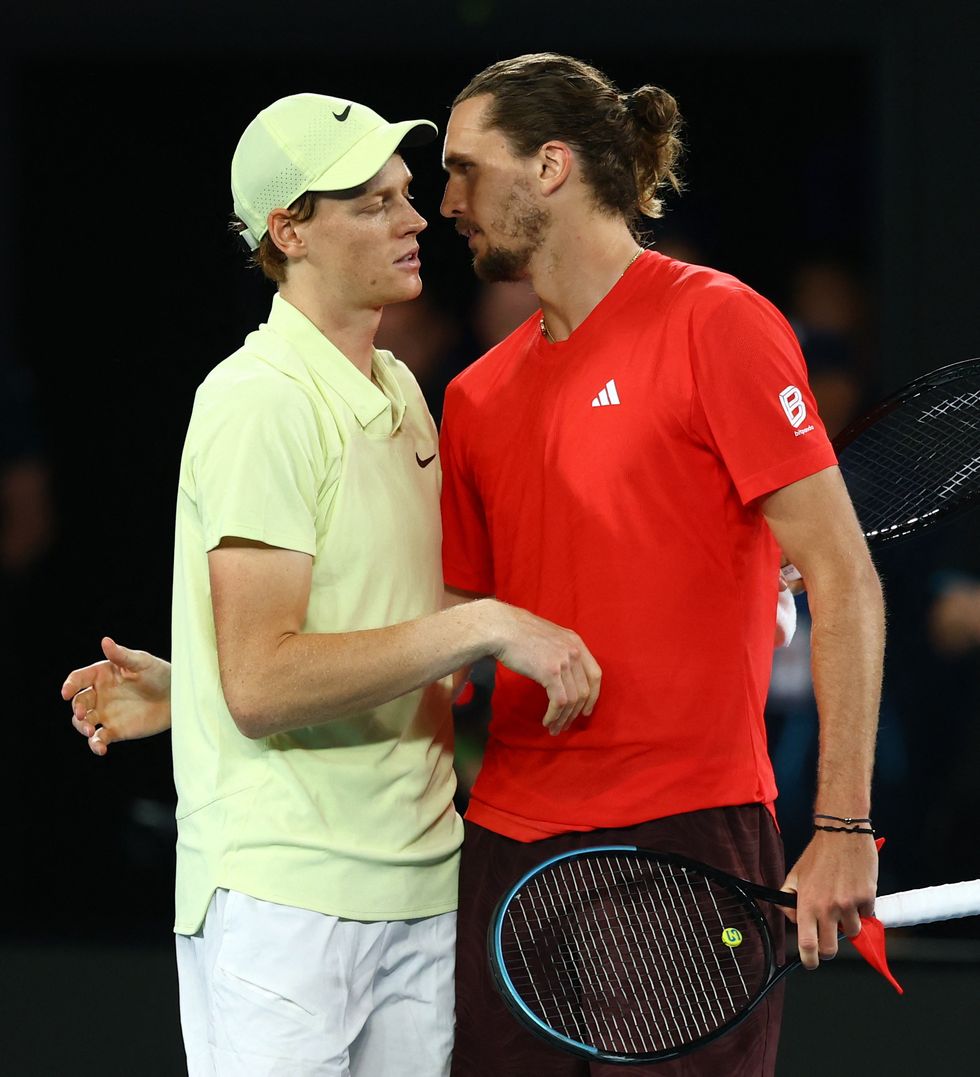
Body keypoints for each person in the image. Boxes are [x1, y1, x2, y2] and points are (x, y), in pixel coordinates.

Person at [64, 90, 604, 1077]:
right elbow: (266, 683)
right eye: (370, 202)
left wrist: (193, 692)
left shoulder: (399, 392)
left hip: (419, 890)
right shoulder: (258, 401)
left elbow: (366, 628)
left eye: (406, 194)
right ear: (289, 231)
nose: (412, 219)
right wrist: (480, 624)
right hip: (285, 909)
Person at [435, 54, 882, 1077]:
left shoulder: (714, 323)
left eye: (466, 169)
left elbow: (841, 576)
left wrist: (843, 823)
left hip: (686, 842)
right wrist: (202, 691)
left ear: (550, 166)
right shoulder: (471, 400)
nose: (446, 202)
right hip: (505, 857)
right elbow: (447, 645)